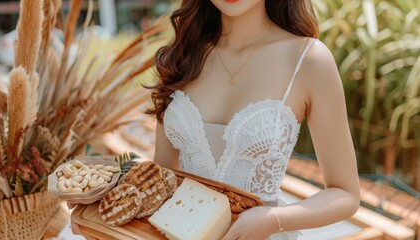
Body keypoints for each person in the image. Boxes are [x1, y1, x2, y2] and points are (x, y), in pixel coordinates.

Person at [72, 0, 360, 239]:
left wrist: (274, 219)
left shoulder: (308, 59)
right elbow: (161, 180)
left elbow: (345, 194)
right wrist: (98, 216)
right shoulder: (179, 59)